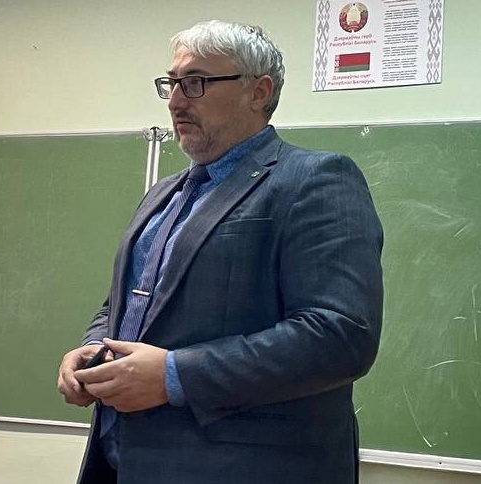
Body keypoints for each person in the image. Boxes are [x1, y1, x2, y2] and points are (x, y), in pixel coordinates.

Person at [57, 19, 383, 484]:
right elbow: (128, 301)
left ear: (258, 91)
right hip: (120, 463)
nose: (175, 101)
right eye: (172, 83)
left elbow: (340, 336)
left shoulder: (315, 180)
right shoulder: (164, 193)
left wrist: (174, 375)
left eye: (195, 83)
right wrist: (93, 349)